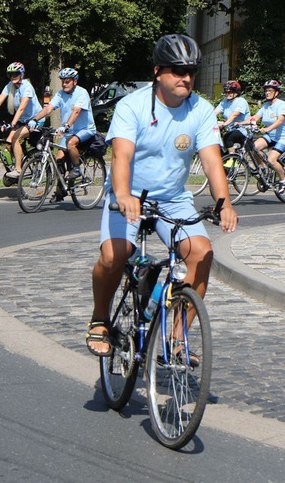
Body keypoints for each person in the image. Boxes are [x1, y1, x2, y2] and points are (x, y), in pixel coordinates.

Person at [86, 34, 238, 357]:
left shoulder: (202, 110)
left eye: (191, 71)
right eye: (176, 70)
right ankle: (100, 317)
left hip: (172, 198)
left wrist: (225, 203)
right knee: (115, 256)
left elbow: (212, 162)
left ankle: (177, 337)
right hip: (128, 195)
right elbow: (121, 157)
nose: (185, 78)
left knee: (202, 253)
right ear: (158, 71)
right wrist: (124, 195)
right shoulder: (132, 106)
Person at [28, 67, 96, 185]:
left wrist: (66, 126)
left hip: (85, 129)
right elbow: (48, 108)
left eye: (67, 81)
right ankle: (61, 190)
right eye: (62, 81)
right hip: (69, 131)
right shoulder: (60, 94)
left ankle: (76, 169)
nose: (64, 84)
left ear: (74, 81)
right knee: (58, 159)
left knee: (71, 143)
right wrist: (35, 119)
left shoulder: (82, 93)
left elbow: (76, 111)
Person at [0, 62, 42, 179]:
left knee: (16, 138)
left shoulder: (27, 87)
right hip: (22, 120)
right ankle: (20, 160)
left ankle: (18, 170)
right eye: (11, 74)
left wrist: (12, 124)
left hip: (35, 119)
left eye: (16, 74)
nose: (13, 76)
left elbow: (22, 107)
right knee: (8, 144)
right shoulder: (10, 86)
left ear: (21, 74)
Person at [248, 79, 285, 192]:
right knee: (254, 147)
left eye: (270, 90)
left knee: (271, 160)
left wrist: (267, 129)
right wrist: (239, 123)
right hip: (272, 136)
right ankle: (263, 169)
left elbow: (280, 121)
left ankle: (283, 180)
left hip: (284, 137)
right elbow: (254, 118)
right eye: (266, 91)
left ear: (276, 93)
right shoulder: (265, 106)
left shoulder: (281, 104)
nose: (267, 93)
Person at [214, 80, 250, 153]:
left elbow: (234, 115)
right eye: (226, 92)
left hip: (242, 130)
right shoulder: (225, 101)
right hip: (231, 129)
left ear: (236, 92)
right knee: (215, 136)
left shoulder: (241, 101)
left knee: (228, 137)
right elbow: (214, 112)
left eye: (230, 92)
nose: (227, 94)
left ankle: (233, 158)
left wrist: (224, 124)